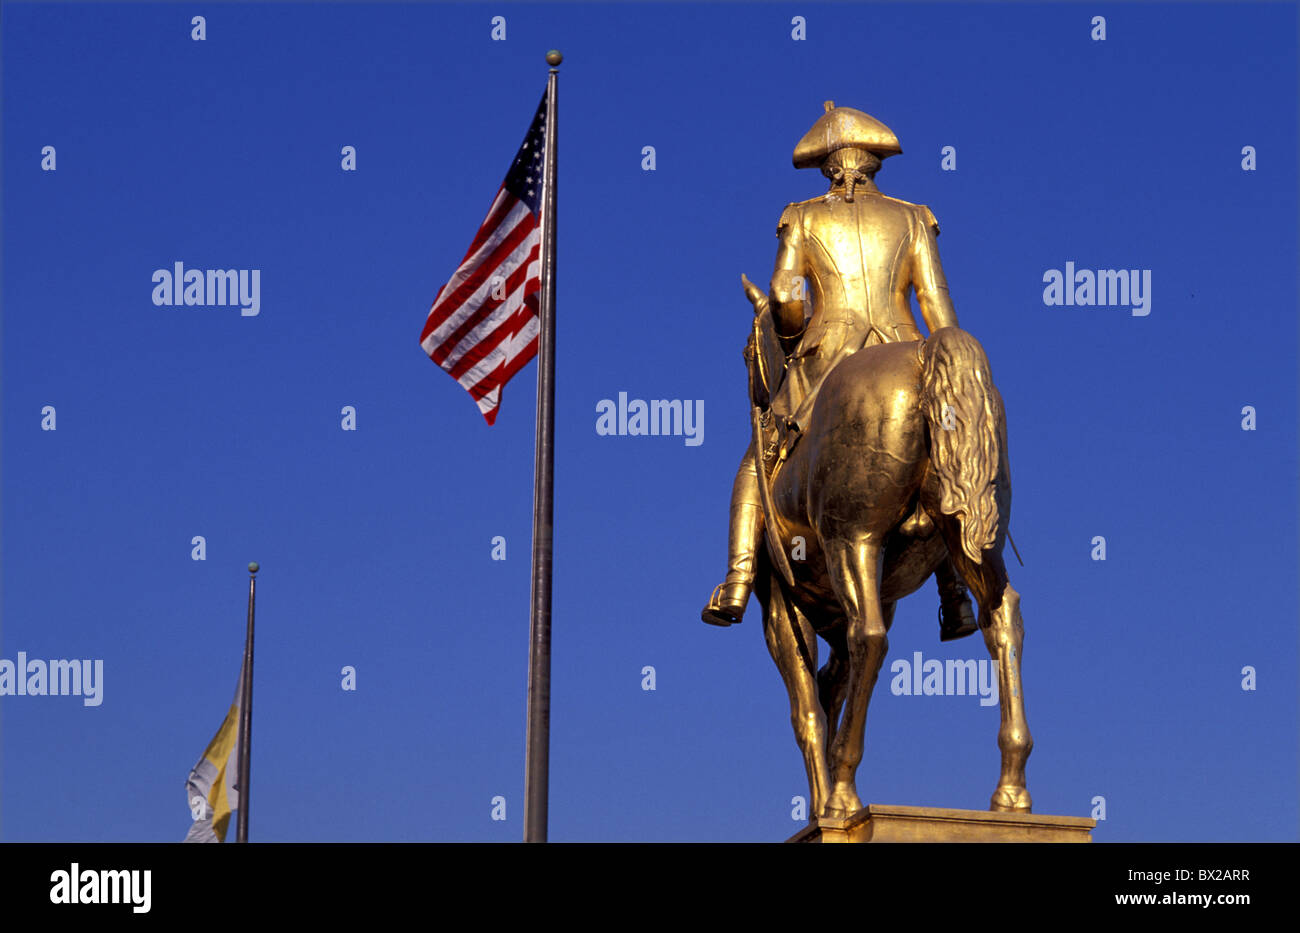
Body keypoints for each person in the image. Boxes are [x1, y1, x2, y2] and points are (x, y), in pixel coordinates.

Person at [702, 101, 977, 640]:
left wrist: (789, 332)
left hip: (827, 362)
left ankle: (736, 579)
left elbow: (784, 294)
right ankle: (956, 592)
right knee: (944, 453)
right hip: (911, 351)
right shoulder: (916, 217)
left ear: (828, 165)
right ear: (874, 163)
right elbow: (942, 316)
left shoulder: (802, 216)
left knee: (757, 462)